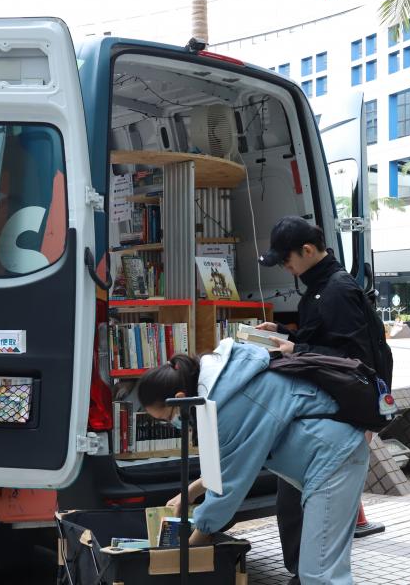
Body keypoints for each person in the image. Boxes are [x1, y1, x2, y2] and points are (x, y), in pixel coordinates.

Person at [137, 349, 368, 585]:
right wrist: (190, 493)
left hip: (333, 459)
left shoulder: (227, 406)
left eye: (168, 418)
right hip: (327, 458)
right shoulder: (222, 386)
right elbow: (232, 460)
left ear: (180, 396)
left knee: (320, 575)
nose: (174, 425)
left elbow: (228, 486)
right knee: (318, 571)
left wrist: (186, 550)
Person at [255, 215, 387, 583]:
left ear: (308, 250)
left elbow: (349, 358)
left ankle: (307, 574)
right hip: (319, 413)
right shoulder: (320, 287)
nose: (285, 267)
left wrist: (295, 345)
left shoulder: (337, 290)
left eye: (286, 260)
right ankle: (303, 573)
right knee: (294, 505)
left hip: (335, 417)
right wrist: (282, 332)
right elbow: (325, 339)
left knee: (306, 508)